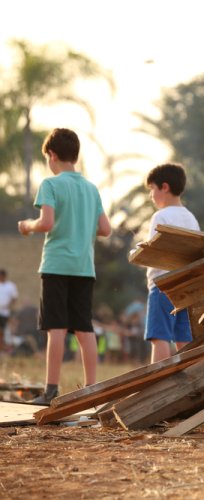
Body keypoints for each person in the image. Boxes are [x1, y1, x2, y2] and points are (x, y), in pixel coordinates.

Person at [17, 128, 112, 405]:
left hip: (57, 264)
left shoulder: (51, 184)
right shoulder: (91, 189)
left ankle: (51, 391)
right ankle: (92, 390)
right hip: (84, 267)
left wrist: (27, 226)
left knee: (56, 328)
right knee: (84, 328)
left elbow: (46, 222)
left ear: (52, 155)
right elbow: (105, 229)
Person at [140, 163, 200, 363]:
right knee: (184, 339)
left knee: (160, 337)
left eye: (152, 190)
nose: (151, 196)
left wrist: (137, 252)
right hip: (186, 285)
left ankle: (157, 384)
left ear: (164, 187)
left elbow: (153, 252)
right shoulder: (191, 218)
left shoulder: (161, 216)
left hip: (162, 284)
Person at [0, 269, 19, 352]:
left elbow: (14, 298)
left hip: (5, 312)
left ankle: (4, 346)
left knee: (2, 330)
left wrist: (7, 306)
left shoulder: (11, 286)